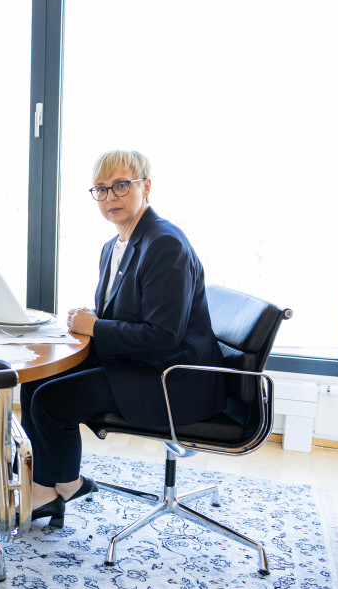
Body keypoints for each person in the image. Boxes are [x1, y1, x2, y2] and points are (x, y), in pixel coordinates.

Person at [20, 150, 225, 527]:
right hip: (142, 364)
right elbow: (126, 317)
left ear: (145, 187)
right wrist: (87, 323)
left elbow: (163, 337)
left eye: (121, 185)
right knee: (35, 384)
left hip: (173, 379)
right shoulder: (115, 245)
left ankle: (59, 486)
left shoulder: (164, 245)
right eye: (101, 189)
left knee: (52, 399)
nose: (110, 197)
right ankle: (51, 488)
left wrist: (95, 327)